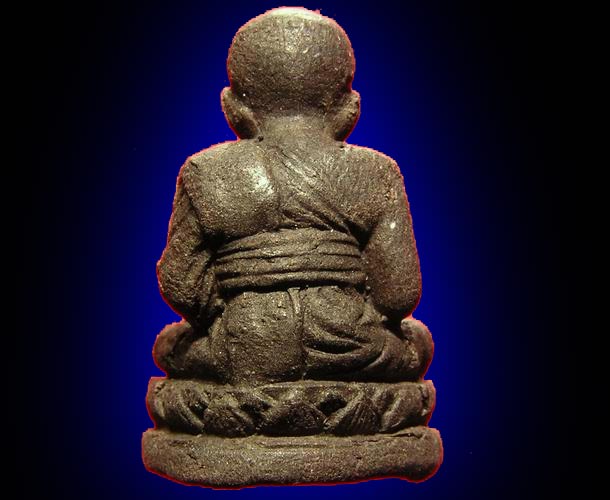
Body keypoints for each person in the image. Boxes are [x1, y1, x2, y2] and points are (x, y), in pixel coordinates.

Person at [152, 7, 433, 386]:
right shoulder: (375, 171)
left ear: (232, 107)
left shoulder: (205, 170)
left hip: (242, 343)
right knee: (417, 342)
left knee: (169, 347)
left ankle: (245, 390)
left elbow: (180, 282)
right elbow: (398, 295)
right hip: (350, 342)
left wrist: (224, 318)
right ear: (350, 107)